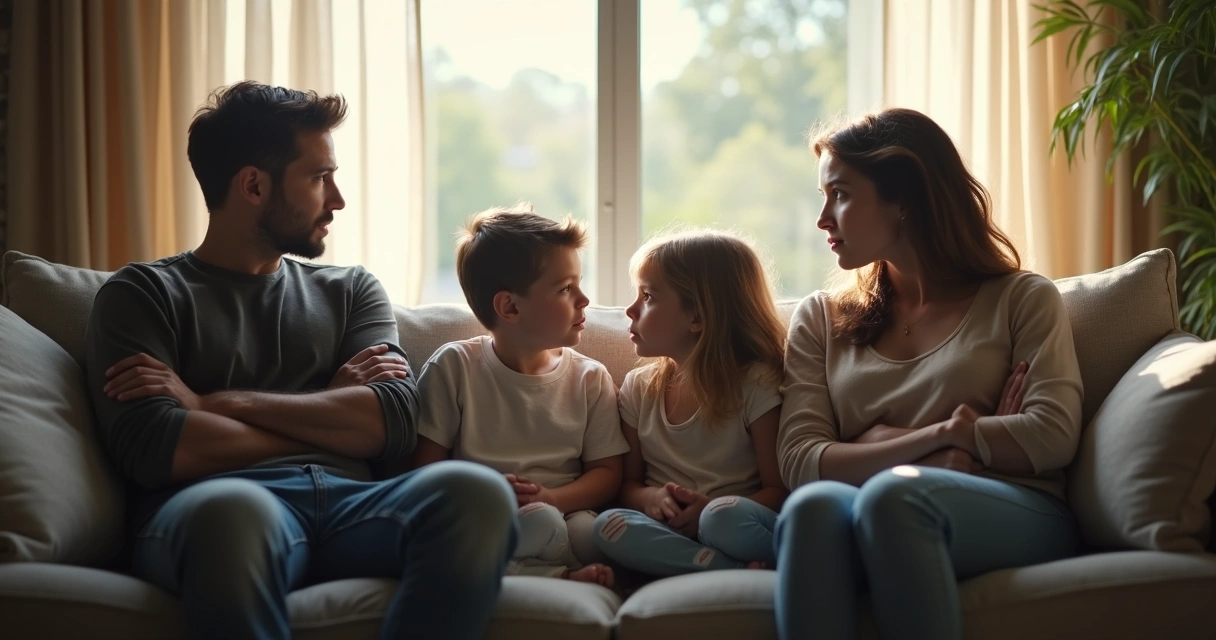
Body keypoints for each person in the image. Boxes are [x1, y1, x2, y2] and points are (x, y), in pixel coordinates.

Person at [83, 81, 517, 640]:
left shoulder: (351, 289)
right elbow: (157, 449)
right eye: (318, 178)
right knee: (236, 509)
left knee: (475, 492)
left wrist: (217, 403)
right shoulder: (142, 294)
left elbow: (391, 422)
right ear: (254, 185)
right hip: (216, 513)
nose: (336, 199)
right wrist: (327, 412)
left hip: (354, 509)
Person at [774, 108, 1083, 640]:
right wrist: (944, 438)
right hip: (888, 499)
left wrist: (879, 444)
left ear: (904, 201)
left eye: (841, 195)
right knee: (810, 507)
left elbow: (1051, 435)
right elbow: (800, 462)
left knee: (895, 495)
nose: (823, 218)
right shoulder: (821, 319)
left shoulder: (1021, 299)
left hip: (1014, 505)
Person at [410, 205, 628, 587]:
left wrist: (553, 497)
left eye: (578, 283)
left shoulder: (590, 377)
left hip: (564, 510)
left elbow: (608, 474)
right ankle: (555, 572)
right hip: (489, 518)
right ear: (509, 306)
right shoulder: (454, 368)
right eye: (565, 289)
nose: (584, 299)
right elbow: (425, 472)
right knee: (533, 525)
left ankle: (535, 567)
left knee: (595, 534)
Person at [592, 229, 788, 576]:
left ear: (696, 317)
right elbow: (628, 485)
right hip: (669, 529)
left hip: (731, 520)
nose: (630, 308)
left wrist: (706, 509)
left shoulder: (755, 384)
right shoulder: (639, 388)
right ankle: (719, 567)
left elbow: (778, 490)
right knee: (610, 525)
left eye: (648, 296)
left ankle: (712, 559)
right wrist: (650, 499)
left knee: (720, 518)